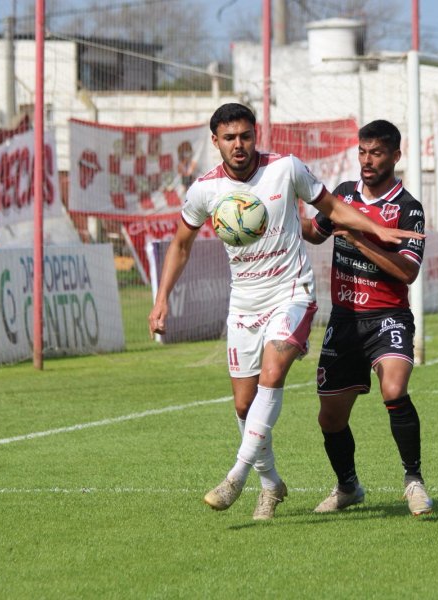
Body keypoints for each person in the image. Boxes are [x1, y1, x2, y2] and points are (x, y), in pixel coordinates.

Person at [148, 104, 423, 521]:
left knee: (279, 374)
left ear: (255, 134)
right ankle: (273, 483)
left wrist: (374, 230)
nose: (238, 145)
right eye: (229, 138)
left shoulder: (286, 169)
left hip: (296, 293)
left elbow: (333, 209)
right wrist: (162, 297)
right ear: (216, 142)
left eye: (245, 135)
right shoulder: (205, 189)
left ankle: (236, 476)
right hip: (246, 302)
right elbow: (182, 244)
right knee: (247, 406)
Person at [301, 119, 433, 516]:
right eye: (362, 151)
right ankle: (348, 486)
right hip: (344, 319)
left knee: (394, 389)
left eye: (376, 153)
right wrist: (279, 213)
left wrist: (357, 239)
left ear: (395, 155)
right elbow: (315, 233)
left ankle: (413, 481)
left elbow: (407, 271)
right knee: (329, 417)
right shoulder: (341, 196)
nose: (367, 160)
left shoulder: (408, 208)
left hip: (387, 316)